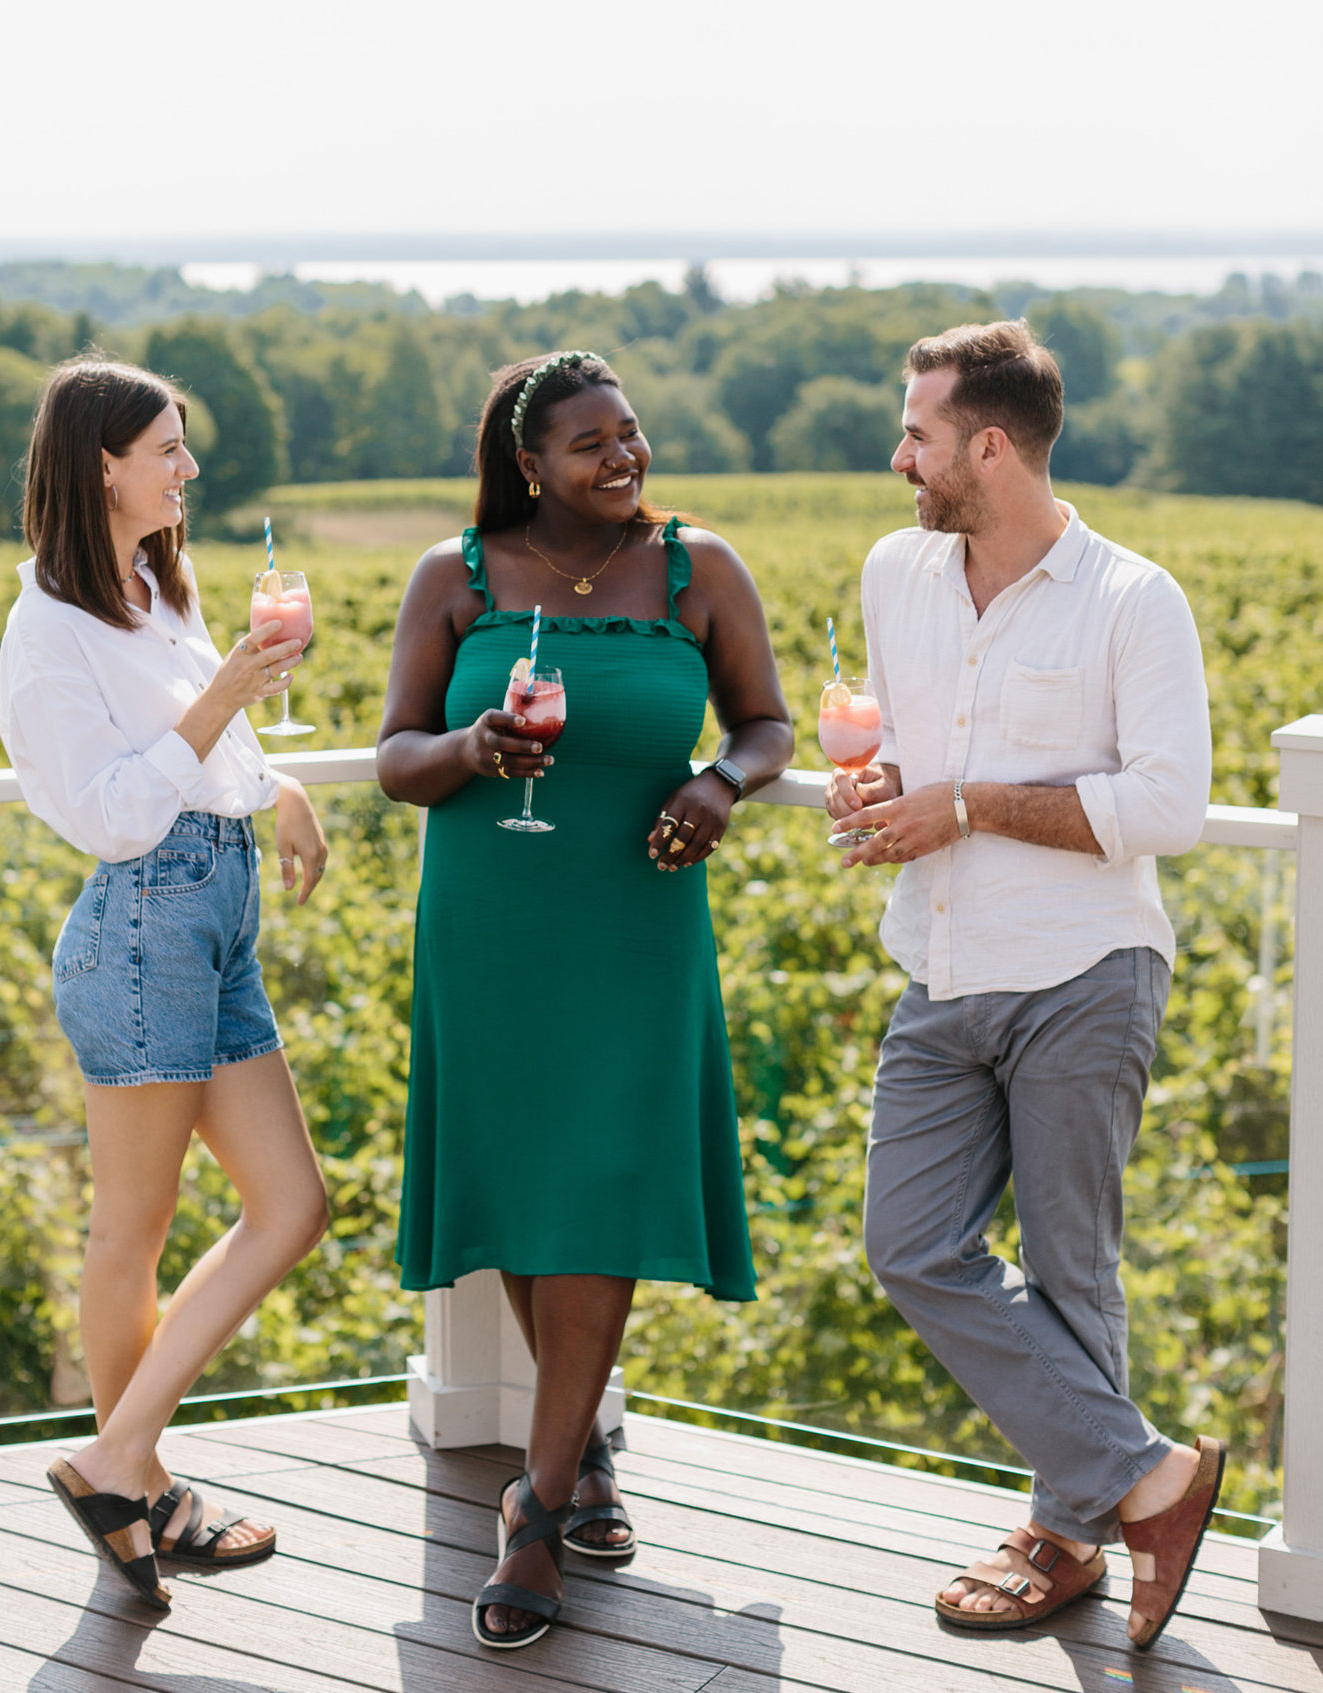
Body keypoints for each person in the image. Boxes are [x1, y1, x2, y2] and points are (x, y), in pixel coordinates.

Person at [378, 350, 793, 1649]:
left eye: (632, 434)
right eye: (590, 444)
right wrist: (473, 748)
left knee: (604, 1187)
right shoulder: (453, 577)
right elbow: (398, 757)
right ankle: (584, 1456)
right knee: (518, 1190)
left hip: (636, 920)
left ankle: (537, 1507)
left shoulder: (698, 568)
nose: (623, 459)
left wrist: (721, 786)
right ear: (527, 462)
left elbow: (767, 725)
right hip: (492, 926)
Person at [827, 320, 1223, 1650]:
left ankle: (1064, 1534)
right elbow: (903, 743)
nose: (901, 457)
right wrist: (880, 791)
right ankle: (1154, 1480)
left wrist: (972, 806)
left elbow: (1170, 804)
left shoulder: (1132, 599)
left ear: (988, 447)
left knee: (1071, 1264)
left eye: (920, 434)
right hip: (938, 968)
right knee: (910, 1242)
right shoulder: (900, 570)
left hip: (1084, 975)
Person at [0, 358, 331, 1613]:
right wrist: (225, 701)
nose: (189, 470)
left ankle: (121, 1462)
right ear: (100, 466)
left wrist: (272, 780)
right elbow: (111, 814)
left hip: (213, 909)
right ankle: (132, 1479)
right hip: (143, 920)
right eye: (168, 450)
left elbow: (191, 757)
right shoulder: (48, 624)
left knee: (292, 1203)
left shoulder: (154, 582)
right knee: (129, 1234)